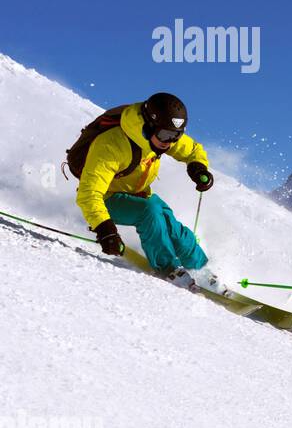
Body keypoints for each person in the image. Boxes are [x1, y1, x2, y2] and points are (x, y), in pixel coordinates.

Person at [71, 92, 219, 290]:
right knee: (149, 211)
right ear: (149, 127)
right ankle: (168, 268)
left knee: (168, 221)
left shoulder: (162, 136)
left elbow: (193, 150)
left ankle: (200, 268)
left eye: (176, 135)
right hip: (107, 198)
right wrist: (104, 229)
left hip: (138, 193)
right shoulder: (112, 144)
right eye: (166, 135)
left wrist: (198, 167)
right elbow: (89, 193)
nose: (170, 142)